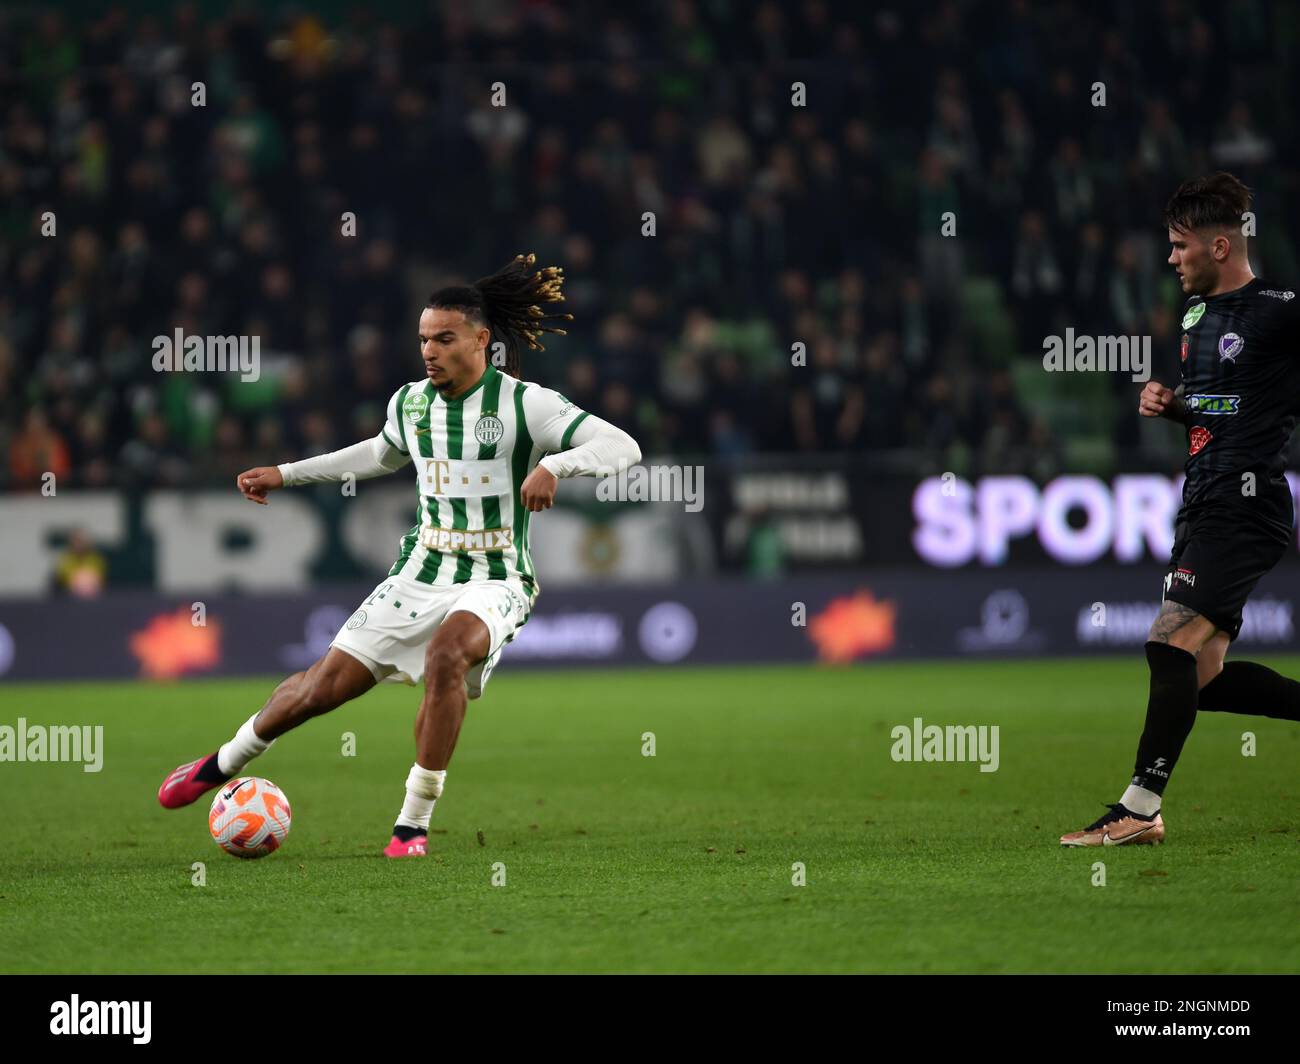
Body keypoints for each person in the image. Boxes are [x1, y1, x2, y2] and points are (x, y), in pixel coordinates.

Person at [157, 254, 641, 857]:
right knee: (320, 690)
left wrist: (555, 464)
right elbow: (373, 456)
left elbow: (623, 444)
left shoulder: (526, 404)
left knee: (446, 657)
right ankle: (222, 762)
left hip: (497, 575)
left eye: (444, 338)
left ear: (481, 341)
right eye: (422, 340)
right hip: (420, 570)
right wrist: (285, 473)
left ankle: (412, 823)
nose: (430, 351)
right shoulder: (411, 404)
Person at [1061, 173, 1300, 847]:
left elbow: (1271, 410)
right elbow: (1226, 410)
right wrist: (1177, 407)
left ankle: (1139, 809)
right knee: (1204, 677)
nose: (1170, 259)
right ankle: (1142, 810)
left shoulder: (1280, 310)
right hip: (1202, 498)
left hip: (1245, 500)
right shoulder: (1195, 318)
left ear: (1219, 246)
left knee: (1168, 642)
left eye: (1178, 246)